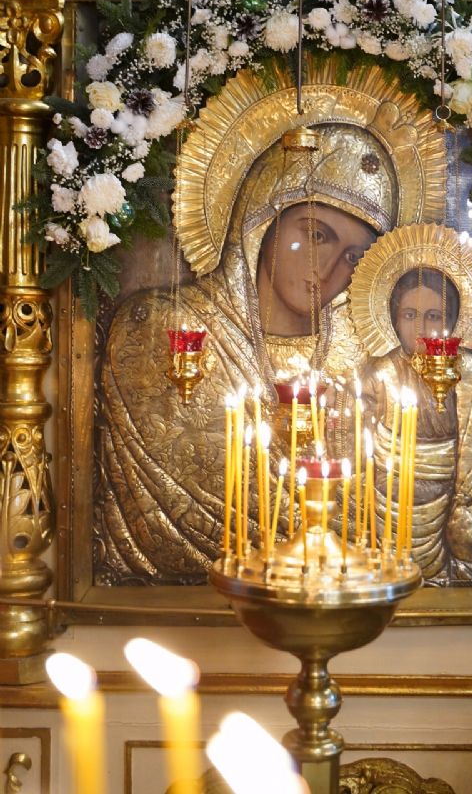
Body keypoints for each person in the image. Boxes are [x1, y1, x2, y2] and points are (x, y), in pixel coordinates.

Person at [96, 123, 398, 584]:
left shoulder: (369, 360)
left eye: (355, 256)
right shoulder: (161, 327)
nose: (329, 269)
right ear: (262, 221)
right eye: (316, 235)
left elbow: (383, 513)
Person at [361, 266, 472, 586]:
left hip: (460, 504)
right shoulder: (379, 378)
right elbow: (357, 449)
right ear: (393, 320)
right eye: (410, 315)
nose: (421, 328)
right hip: (385, 505)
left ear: (453, 321)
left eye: (433, 316)